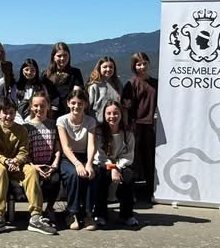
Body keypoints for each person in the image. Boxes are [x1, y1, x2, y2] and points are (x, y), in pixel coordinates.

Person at [0, 97, 53, 235]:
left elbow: (24, 151)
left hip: (17, 164)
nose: (8, 116)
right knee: (0, 170)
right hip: (0, 162)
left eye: (12, 113)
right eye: (5, 113)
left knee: (31, 171)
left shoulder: (21, 129)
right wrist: (6, 161)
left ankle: (36, 217)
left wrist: (16, 161)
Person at [92, 101, 138, 228]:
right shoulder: (99, 132)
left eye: (115, 113)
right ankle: (100, 214)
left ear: (121, 115)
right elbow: (99, 155)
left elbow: (129, 155)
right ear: (104, 115)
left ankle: (126, 215)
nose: (112, 116)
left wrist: (117, 167)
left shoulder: (128, 133)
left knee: (129, 177)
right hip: (104, 164)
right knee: (100, 177)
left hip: (121, 165)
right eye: (109, 113)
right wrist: (112, 167)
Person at [57, 88, 97, 229]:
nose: (76, 106)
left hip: (85, 156)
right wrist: (77, 164)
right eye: (73, 103)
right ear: (68, 103)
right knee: (74, 174)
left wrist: (89, 164)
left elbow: (91, 145)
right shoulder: (62, 120)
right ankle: (72, 213)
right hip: (68, 158)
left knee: (91, 175)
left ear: (85, 104)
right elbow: (65, 147)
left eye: (80, 103)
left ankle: (88, 214)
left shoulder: (90, 121)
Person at [121, 52, 157, 204]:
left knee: (150, 159)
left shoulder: (155, 83)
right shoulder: (131, 84)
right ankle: (131, 192)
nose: (142, 67)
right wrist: (127, 126)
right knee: (133, 159)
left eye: (144, 63)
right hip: (135, 125)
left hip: (150, 126)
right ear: (134, 66)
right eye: (138, 64)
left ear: (149, 63)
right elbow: (125, 107)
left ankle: (151, 190)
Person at [25, 90, 62, 229]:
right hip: (34, 165)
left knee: (55, 180)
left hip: (49, 164)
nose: (39, 108)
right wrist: (33, 166)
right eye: (36, 105)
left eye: (42, 105)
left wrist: (55, 164)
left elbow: (57, 148)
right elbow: (25, 151)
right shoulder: (27, 126)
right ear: (31, 107)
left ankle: (50, 208)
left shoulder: (53, 124)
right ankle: (37, 212)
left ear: (48, 106)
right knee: (35, 180)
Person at [43, 42, 84, 118]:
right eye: (59, 56)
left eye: (65, 55)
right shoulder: (45, 74)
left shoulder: (75, 73)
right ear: (54, 57)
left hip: (68, 113)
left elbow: (77, 93)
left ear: (69, 56)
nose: (62, 58)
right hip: (49, 114)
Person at [86, 56, 122, 123]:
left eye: (111, 67)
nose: (108, 69)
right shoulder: (94, 86)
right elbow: (88, 106)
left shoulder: (118, 84)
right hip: (98, 123)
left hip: (114, 122)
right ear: (99, 68)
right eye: (105, 67)